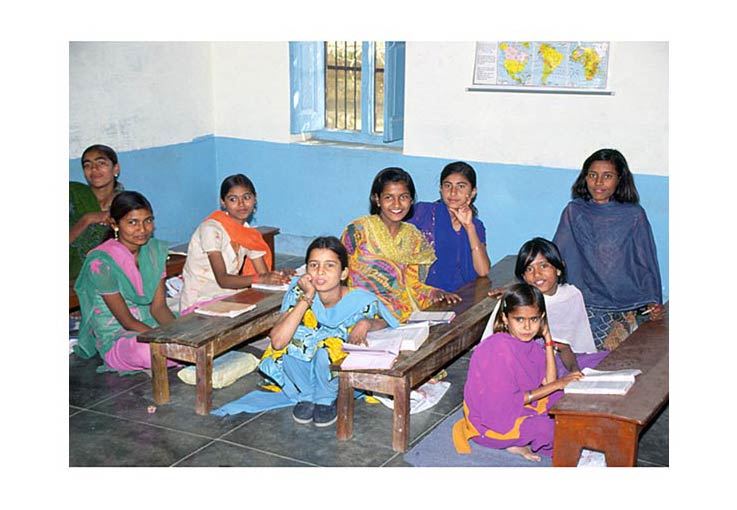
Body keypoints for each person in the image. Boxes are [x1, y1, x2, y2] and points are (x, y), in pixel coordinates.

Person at [211, 236, 399, 426]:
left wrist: (366, 323)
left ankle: (327, 398)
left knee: (328, 346)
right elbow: (277, 341)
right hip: (304, 376)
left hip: (338, 376)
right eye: (314, 265)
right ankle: (307, 395)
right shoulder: (299, 292)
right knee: (294, 338)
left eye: (330, 266)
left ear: (343, 273)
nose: (320, 272)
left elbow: (387, 323)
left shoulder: (359, 300)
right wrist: (307, 297)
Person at [452, 283, 586, 462]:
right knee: (549, 428)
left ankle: (518, 439)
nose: (528, 327)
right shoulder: (497, 348)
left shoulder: (530, 345)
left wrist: (547, 339)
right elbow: (505, 402)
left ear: (542, 319)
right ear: (506, 319)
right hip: (490, 422)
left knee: (569, 399)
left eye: (534, 319)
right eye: (519, 319)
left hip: (519, 406)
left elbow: (549, 382)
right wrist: (557, 384)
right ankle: (510, 441)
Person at [552, 148, 665, 350]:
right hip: (586, 304)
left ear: (619, 180)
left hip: (626, 306)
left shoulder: (633, 215)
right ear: (584, 178)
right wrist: (521, 284)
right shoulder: (574, 212)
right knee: (583, 363)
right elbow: (555, 255)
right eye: (593, 175)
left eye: (607, 176)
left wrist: (654, 301)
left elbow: (646, 261)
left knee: (620, 365)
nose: (598, 182)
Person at [73, 191, 179, 373]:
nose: (143, 229)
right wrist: (165, 341)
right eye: (132, 222)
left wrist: (179, 335)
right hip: (119, 336)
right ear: (115, 224)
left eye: (148, 220)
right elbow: (126, 320)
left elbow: (159, 308)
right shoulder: (101, 263)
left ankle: (177, 352)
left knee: (203, 323)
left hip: (152, 324)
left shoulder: (154, 251)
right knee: (149, 352)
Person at [340, 167, 461, 323]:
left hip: (397, 316)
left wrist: (435, 293)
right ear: (377, 199)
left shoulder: (413, 237)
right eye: (389, 197)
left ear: (411, 200)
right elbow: (337, 270)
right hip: (357, 312)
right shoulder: (358, 230)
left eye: (403, 197)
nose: (397, 204)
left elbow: (411, 284)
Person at [483, 238, 608, 374]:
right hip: (527, 366)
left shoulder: (571, 295)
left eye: (543, 266)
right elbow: (494, 349)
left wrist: (574, 369)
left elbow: (572, 345)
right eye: (529, 269)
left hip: (570, 359)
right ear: (523, 277)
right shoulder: (518, 302)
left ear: (558, 269)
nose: (537, 274)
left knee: (609, 363)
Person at [179, 173, 292, 312]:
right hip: (200, 301)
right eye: (233, 199)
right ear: (223, 202)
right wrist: (261, 278)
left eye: (247, 197)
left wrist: (280, 277)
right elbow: (223, 279)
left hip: (228, 297)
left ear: (255, 199)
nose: (241, 204)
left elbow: (264, 274)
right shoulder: (211, 229)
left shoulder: (247, 233)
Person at [407, 161, 490, 292]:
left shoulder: (476, 226)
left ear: (473, 192)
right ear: (441, 189)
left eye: (461, 186)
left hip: (460, 296)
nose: (453, 192)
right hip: (420, 293)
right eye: (447, 185)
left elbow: (483, 270)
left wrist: (469, 227)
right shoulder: (422, 213)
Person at [69, 144, 124, 279]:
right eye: (87, 165)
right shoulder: (72, 196)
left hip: (113, 278)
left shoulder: (126, 204)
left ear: (115, 169)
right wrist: (87, 219)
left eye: (101, 163)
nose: (94, 168)